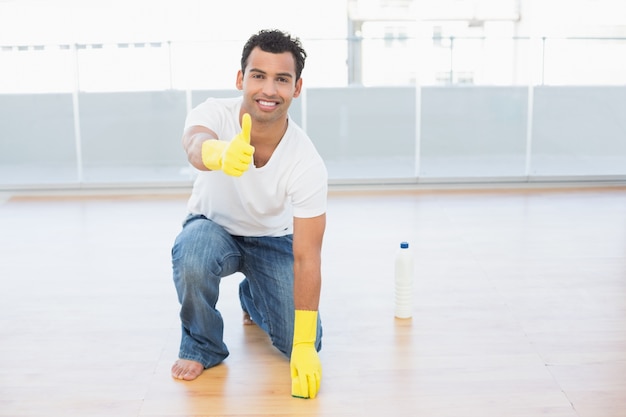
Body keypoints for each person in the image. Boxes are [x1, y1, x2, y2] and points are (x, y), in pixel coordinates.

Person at [170, 29, 327, 400]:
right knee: (192, 254)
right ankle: (201, 345)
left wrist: (303, 344)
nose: (268, 90)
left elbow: (307, 257)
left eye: (281, 79)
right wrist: (216, 154)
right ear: (241, 79)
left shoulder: (306, 161)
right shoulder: (214, 112)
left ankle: (252, 298)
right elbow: (193, 143)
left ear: (297, 87)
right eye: (258, 75)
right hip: (212, 229)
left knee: (305, 343)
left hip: (273, 241)